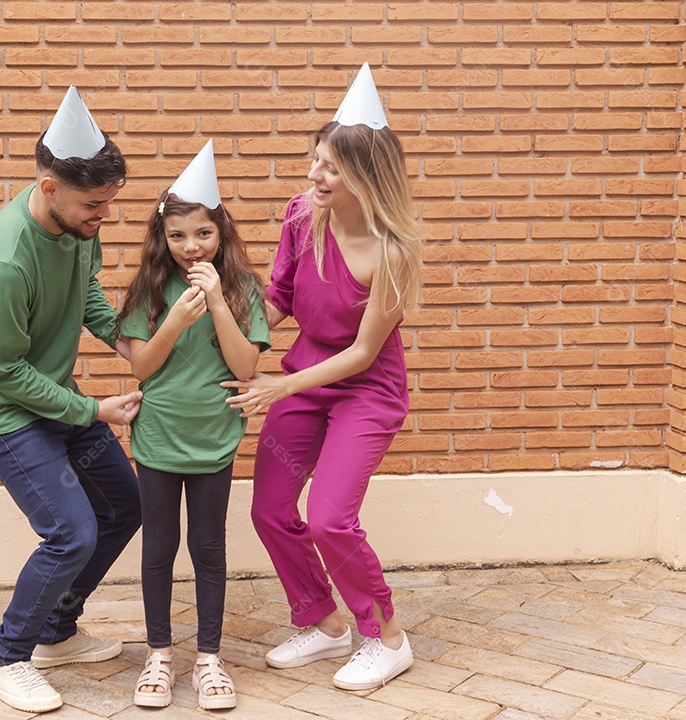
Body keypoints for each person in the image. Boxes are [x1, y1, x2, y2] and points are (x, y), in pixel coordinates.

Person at [221, 63, 423, 691]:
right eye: (315, 161)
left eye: (331, 167)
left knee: (333, 518)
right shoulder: (301, 215)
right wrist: (227, 328)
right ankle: (323, 621)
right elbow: (278, 297)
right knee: (272, 508)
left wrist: (278, 386)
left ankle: (385, 636)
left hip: (365, 390)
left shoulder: (391, 252)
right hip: (306, 373)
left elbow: (365, 353)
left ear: (367, 176)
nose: (315, 175)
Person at [0, 86, 143, 714]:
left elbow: (87, 292)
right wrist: (94, 410)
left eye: (109, 203)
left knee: (123, 506)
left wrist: (127, 342)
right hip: (3, 417)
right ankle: (8, 659)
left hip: (54, 402)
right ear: (48, 186)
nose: (103, 217)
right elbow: (4, 372)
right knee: (70, 533)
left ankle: (58, 631)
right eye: (95, 205)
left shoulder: (78, 227)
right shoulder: (5, 260)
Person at [117, 141, 270, 710]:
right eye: (178, 235)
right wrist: (177, 319)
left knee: (209, 547)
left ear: (221, 234)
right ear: (163, 237)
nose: (190, 247)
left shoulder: (243, 289)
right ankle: (159, 653)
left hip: (213, 438)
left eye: (202, 234)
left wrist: (219, 306)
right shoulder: (150, 290)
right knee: (159, 546)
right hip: (158, 438)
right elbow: (142, 365)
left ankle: (208, 657)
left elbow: (246, 366)